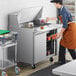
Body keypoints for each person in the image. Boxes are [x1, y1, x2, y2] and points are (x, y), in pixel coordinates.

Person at [46, 0, 76, 64]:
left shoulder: (63, 11)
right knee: (62, 44)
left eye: (54, 3)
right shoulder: (60, 9)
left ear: (58, 3)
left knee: (70, 47)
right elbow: (59, 18)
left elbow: (65, 25)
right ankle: (61, 61)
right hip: (67, 27)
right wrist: (49, 19)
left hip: (70, 28)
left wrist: (59, 33)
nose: (54, 4)